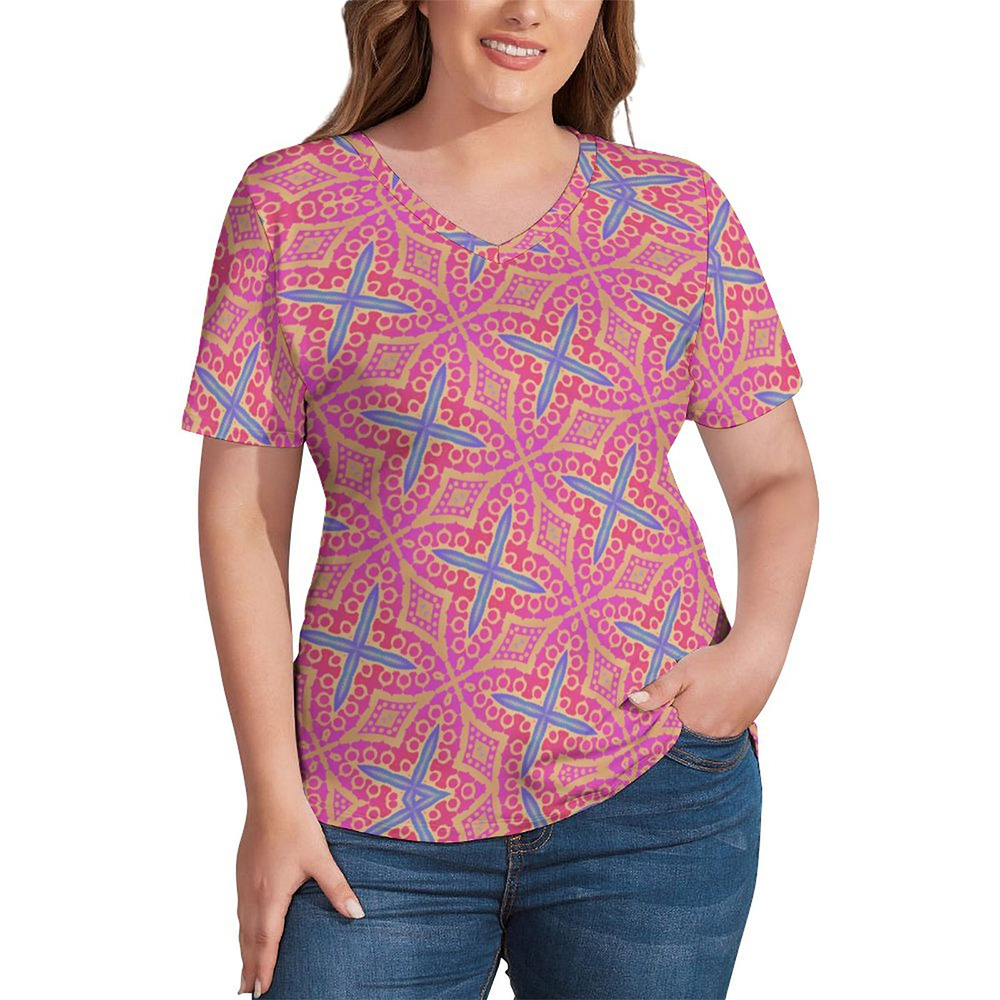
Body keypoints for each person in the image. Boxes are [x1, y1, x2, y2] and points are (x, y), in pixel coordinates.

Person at [179, 1, 818, 996]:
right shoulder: (293, 206)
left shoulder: (675, 210)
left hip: (648, 795)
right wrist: (272, 798)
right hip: (364, 817)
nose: (525, 9)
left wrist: (755, 657)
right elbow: (243, 518)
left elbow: (774, 474)